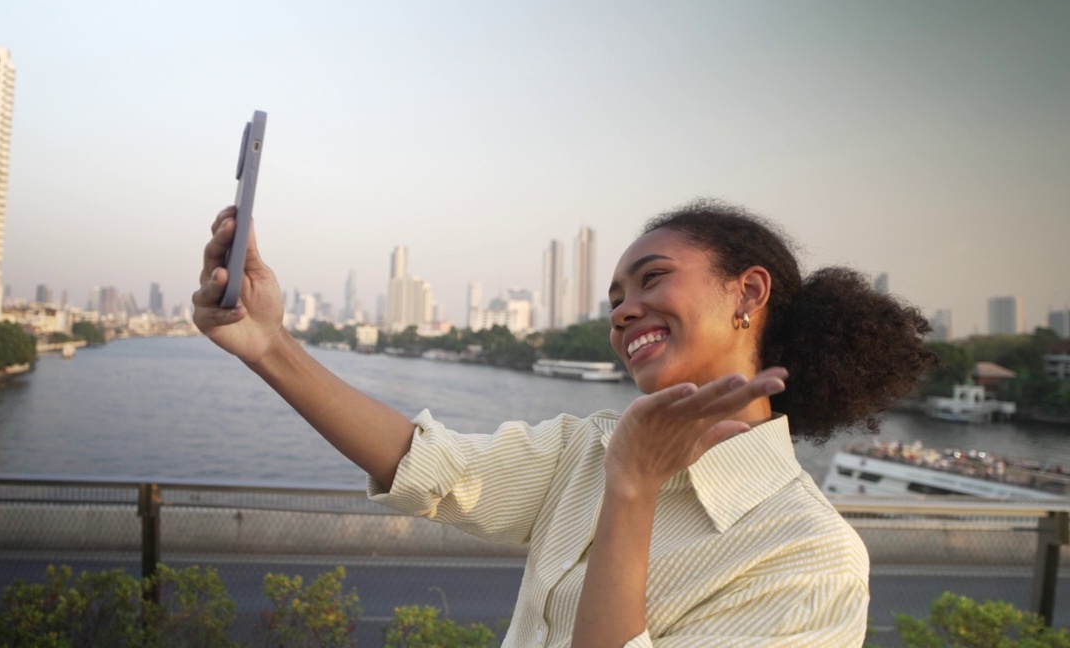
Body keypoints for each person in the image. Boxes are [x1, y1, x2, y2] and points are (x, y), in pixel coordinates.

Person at [192, 199, 936, 647]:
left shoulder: (812, 558)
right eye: (615, 296)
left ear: (749, 293)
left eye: (652, 279)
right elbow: (437, 472)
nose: (622, 310)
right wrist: (269, 345)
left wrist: (634, 489)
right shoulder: (590, 447)